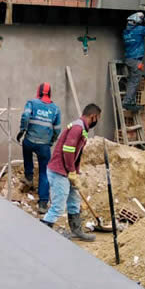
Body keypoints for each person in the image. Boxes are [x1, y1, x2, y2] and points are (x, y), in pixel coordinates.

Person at [41, 103, 102, 241]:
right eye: (98, 118)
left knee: (74, 201)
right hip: (59, 171)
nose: (97, 121)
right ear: (93, 117)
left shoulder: (81, 128)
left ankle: (76, 230)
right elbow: (68, 150)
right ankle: (42, 232)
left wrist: (76, 173)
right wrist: (71, 171)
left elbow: (77, 154)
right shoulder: (77, 128)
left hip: (67, 171)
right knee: (58, 206)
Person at [16, 82, 61, 212]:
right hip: (44, 146)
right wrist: (51, 141)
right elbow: (57, 129)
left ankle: (29, 177)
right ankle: (42, 203)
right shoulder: (55, 109)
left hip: (30, 140)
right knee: (44, 172)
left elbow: (25, 116)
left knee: (26, 147)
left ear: (38, 92)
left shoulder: (31, 103)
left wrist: (22, 130)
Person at [122, 11, 145, 111]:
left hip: (128, 59)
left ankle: (130, 101)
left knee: (132, 80)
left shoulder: (126, 32)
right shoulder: (138, 30)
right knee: (134, 81)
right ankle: (127, 102)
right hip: (136, 60)